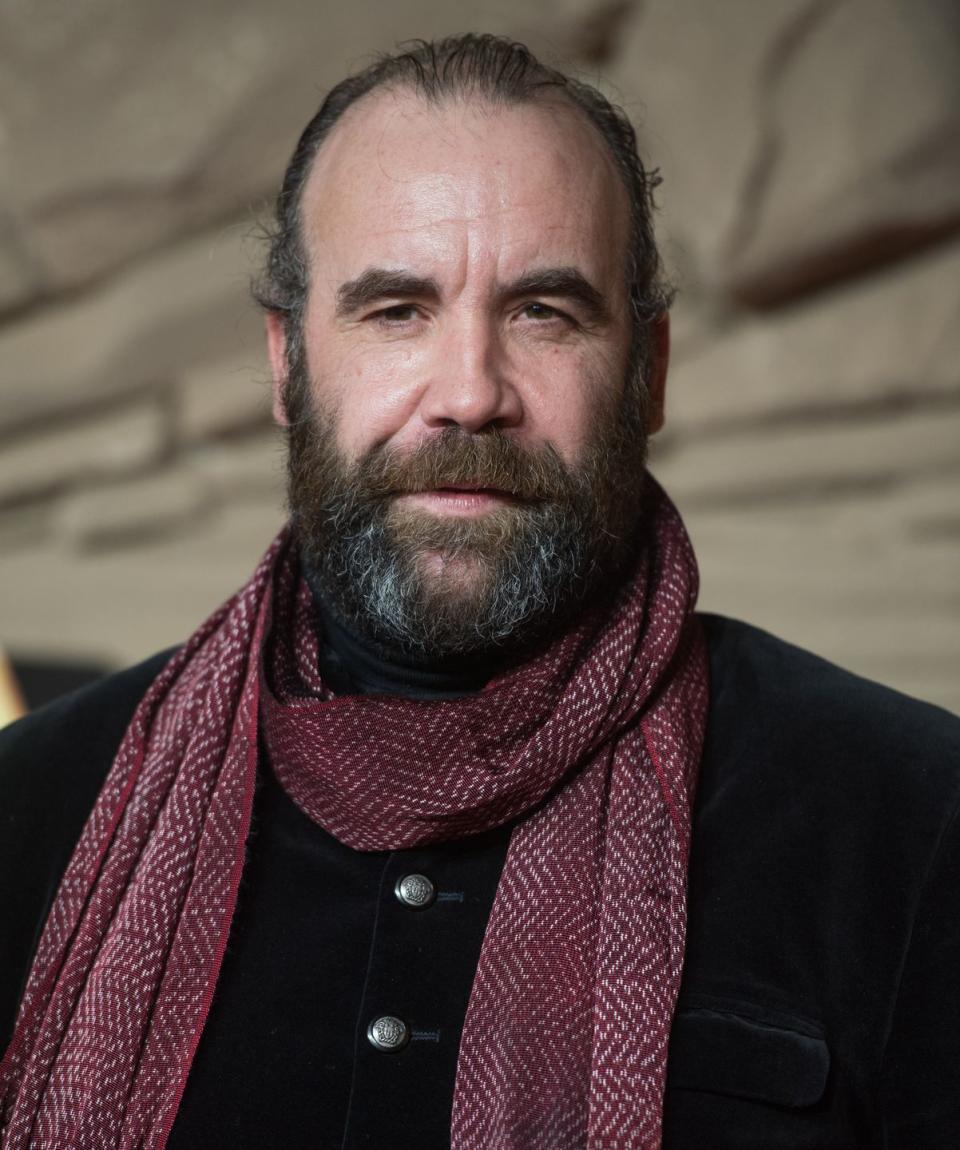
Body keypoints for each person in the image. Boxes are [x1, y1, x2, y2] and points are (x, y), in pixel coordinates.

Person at [1, 33, 958, 1150]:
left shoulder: (916, 826)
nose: (469, 394)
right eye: (396, 310)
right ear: (284, 362)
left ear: (649, 371)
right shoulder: (29, 812)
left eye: (544, 312)